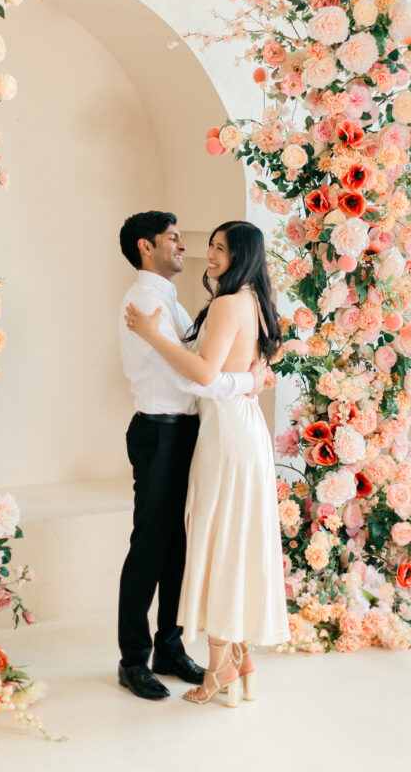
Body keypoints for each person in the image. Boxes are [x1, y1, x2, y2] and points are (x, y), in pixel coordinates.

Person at [124, 220, 289, 706]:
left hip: (226, 431)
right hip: (245, 426)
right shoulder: (255, 303)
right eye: (210, 246)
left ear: (241, 256)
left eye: (220, 249)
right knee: (236, 536)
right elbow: (233, 373)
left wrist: (154, 335)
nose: (209, 255)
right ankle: (240, 657)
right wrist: (248, 382)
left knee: (219, 538)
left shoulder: (224, 303)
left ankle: (220, 669)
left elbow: (201, 375)